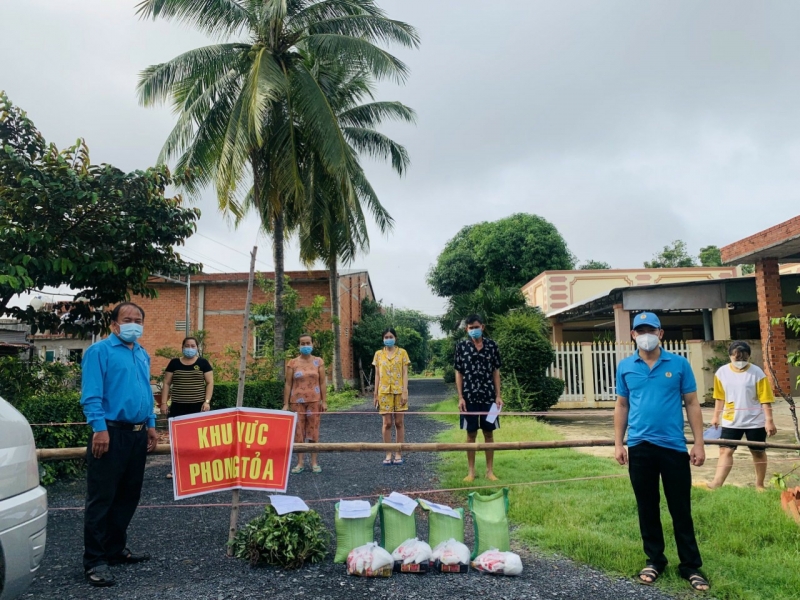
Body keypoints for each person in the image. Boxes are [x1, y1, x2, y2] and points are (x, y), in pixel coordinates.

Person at [614, 312, 709, 592]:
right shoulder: (626, 367)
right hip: (640, 446)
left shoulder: (679, 364)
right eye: (640, 330)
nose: (645, 335)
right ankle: (655, 560)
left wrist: (699, 442)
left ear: (661, 333)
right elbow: (621, 405)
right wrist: (619, 443)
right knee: (647, 507)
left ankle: (690, 565)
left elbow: (692, 403)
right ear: (633, 335)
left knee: (681, 508)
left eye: (650, 330)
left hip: (673, 447)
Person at [80, 302, 158, 587]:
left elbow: (146, 391)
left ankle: (115, 550)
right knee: (102, 499)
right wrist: (99, 429)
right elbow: (91, 395)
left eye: (138, 320)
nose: (133, 324)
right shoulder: (99, 352)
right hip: (110, 434)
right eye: (127, 319)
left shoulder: (142, 354)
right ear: (114, 323)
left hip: (137, 435)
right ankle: (95, 560)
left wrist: (151, 425)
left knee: (128, 495)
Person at [706, 341, 777, 490]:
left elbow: (765, 399)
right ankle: (717, 483)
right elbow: (720, 397)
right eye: (737, 358)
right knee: (725, 450)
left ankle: (759, 485)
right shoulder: (722, 373)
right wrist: (715, 416)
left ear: (749, 357)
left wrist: (769, 421)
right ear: (730, 356)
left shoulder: (757, 373)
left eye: (744, 359)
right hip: (731, 420)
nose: (740, 362)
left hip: (755, 421)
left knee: (758, 452)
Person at [454, 314, 503, 483]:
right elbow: (458, 372)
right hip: (469, 398)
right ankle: (471, 471)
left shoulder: (492, 346)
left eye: (476, 327)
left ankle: (490, 471)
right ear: (466, 329)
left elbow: (496, 371)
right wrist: (460, 397)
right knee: (471, 434)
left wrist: (498, 395)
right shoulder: (461, 347)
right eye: (470, 328)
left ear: (482, 326)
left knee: (489, 434)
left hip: (489, 398)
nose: (473, 330)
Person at [160, 336, 214, 478]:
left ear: (197, 348)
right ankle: (176, 469)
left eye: (192, 346)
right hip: (178, 407)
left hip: (197, 408)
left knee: (197, 440)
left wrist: (207, 401)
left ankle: (196, 469)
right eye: (187, 345)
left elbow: (210, 383)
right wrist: (164, 403)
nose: (190, 348)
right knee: (177, 440)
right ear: (182, 347)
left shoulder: (203, 363)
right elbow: (166, 383)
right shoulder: (174, 363)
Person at [283, 334, 327, 473]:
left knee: (313, 431)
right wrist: (285, 404)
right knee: (298, 432)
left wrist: (324, 401)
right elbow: (288, 384)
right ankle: (300, 463)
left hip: (314, 400)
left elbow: (323, 382)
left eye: (308, 343)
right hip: (297, 402)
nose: (305, 346)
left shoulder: (318, 362)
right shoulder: (292, 363)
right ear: (299, 345)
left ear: (312, 344)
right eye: (303, 343)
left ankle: (314, 463)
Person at [372, 328, 411, 465]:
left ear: (395, 338)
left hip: (399, 391)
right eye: (386, 337)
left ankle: (398, 452)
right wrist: (375, 393)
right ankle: (388, 453)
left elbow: (405, 372)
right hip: (384, 392)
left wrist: (405, 390)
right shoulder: (378, 354)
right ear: (383, 339)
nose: (389, 339)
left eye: (391, 336)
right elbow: (377, 374)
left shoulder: (402, 353)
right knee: (387, 423)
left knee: (399, 422)